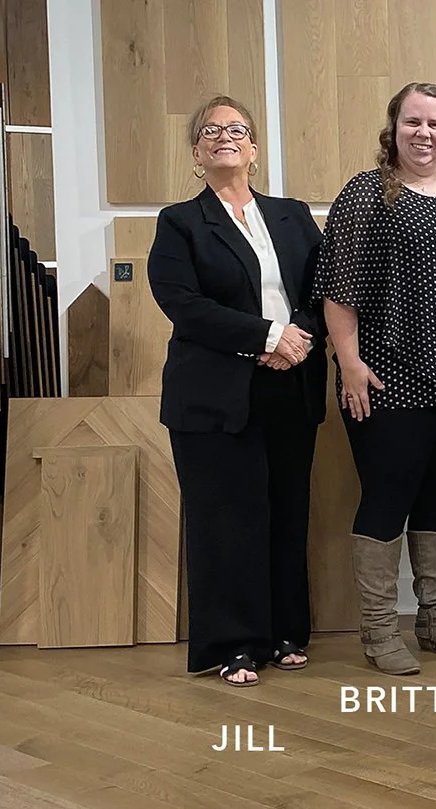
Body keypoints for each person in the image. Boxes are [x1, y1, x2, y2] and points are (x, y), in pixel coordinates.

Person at [312, 82, 436, 674]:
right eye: (412, 122)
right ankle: (377, 629)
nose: (423, 133)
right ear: (393, 128)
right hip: (387, 377)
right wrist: (349, 364)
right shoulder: (368, 194)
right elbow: (338, 289)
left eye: (435, 123)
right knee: (387, 497)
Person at [147, 95, 324, 686]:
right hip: (216, 393)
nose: (225, 137)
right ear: (197, 153)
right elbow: (182, 303)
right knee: (227, 520)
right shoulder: (179, 221)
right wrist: (266, 337)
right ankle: (234, 644)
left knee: (284, 512)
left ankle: (282, 631)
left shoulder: (294, 214)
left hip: (290, 385)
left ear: (253, 149)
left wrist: (296, 339)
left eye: (237, 129)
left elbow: (321, 289)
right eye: (211, 131)